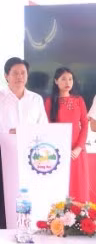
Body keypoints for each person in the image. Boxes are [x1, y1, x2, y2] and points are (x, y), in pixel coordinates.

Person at [0, 57, 47, 229]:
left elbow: (43, 127)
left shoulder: (36, 99)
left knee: (29, 192)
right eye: (15, 73)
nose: (19, 76)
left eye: (23, 73)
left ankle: (31, 228)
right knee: (3, 194)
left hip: (31, 155)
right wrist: (8, 132)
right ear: (6, 75)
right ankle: (2, 231)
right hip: (3, 152)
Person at [44, 67, 90, 202]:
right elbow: (47, 127)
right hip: (57, 151)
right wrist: (59, 149)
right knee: (60, 185)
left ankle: (79, 218)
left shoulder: (79, 100)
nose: (67, 82)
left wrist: (79, 148)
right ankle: (58, 220)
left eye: (70, 79)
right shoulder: (49, 102)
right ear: (56, 81)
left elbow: (85, 125)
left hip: (77, 151)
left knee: (78, 184)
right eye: (63, 79)